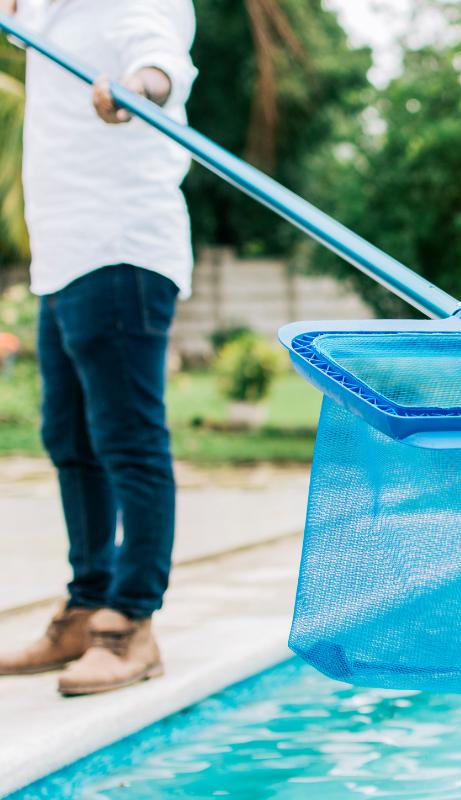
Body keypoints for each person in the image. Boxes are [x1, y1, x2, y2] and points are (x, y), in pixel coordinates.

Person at [0, 0, 197, 696]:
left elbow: (166, 57)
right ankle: (87, 606)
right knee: (69, 437)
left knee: (126, 439)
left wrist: (140, 86)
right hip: (63, 255)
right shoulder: (40, 11)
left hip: (120, 248)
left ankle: (131, 625)